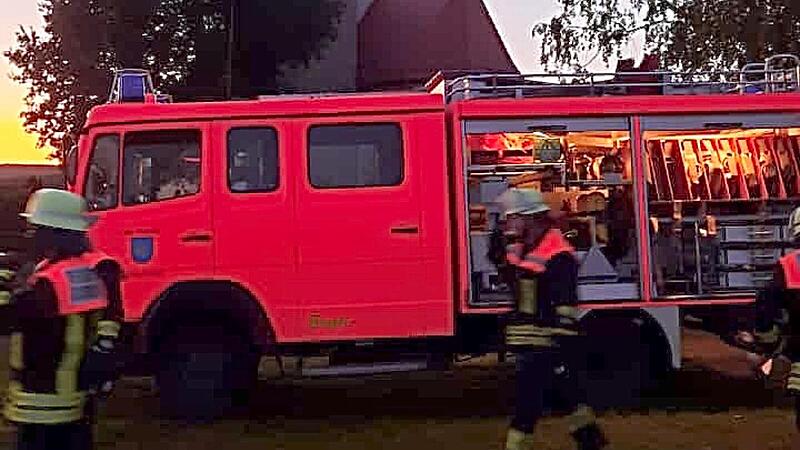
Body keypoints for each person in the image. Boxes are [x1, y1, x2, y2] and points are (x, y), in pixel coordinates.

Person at [1, 188, 122, 450]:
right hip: (75, 401)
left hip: (40, 407)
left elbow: (10, 317)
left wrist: (7, 282)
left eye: (34, 228)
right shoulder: (87, 270)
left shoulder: (48, 283)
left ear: (52, 233)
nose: (29, 235)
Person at [495, 188, 608, 450]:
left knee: (527, 407)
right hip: (531, 343)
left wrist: (561, 349)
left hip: (545, 345)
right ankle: (592, 443)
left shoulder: (558, 255)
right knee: (567, 399)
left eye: (512, 218)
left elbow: (566, 309)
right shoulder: (526, 247)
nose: (507, 224)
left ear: (530, 218)